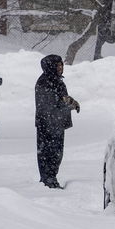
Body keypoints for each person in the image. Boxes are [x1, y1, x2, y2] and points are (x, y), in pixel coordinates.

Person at [35, 54, 79, 188]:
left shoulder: (55, 80)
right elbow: (51, 103)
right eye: (58, 65)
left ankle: (51, 178)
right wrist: (68, 102)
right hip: (48, 125)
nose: (60, 68)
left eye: (61, 65)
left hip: (55, 124)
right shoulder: (45, 82)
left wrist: (70, 102)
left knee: (56, 153)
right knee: (49, 153)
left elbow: (59, 98)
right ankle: (48, 180)